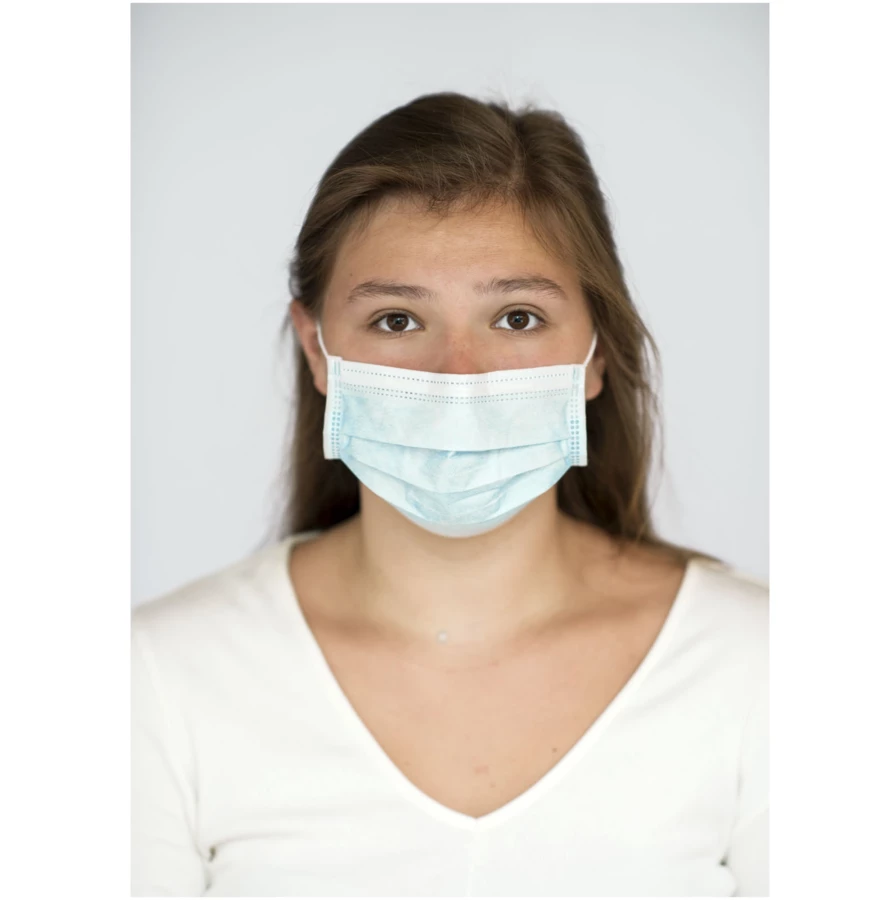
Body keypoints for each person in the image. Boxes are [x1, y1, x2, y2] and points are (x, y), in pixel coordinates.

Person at [132, 91, 768, 897]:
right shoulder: (159, 677)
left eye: (517, 318)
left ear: (597, 354)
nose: (460, 376)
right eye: (397, 320)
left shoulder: (760, 663)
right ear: (318, 350)